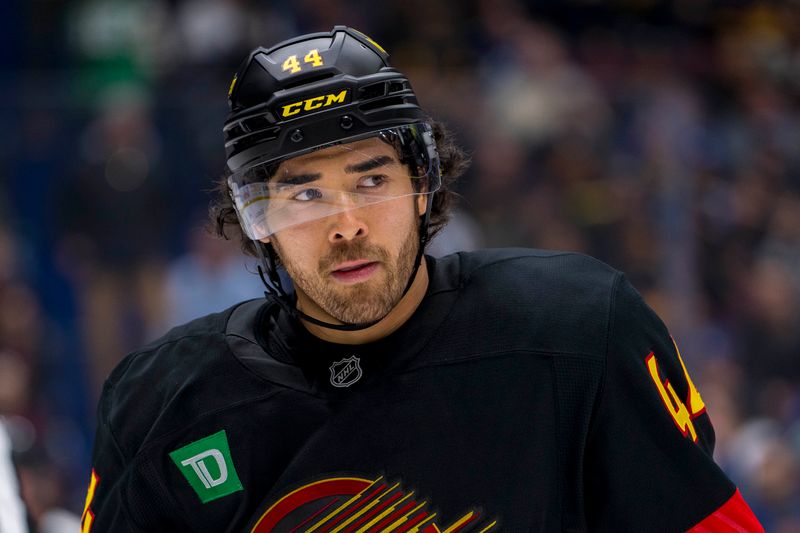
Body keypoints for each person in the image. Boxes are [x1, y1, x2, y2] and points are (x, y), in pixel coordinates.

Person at [82, 26, 764, 532]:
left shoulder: (583, 331)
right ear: (255, 220)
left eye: (370, 179)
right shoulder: (160, 406)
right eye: (305, 195)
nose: (346, 224)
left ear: (424, 184)